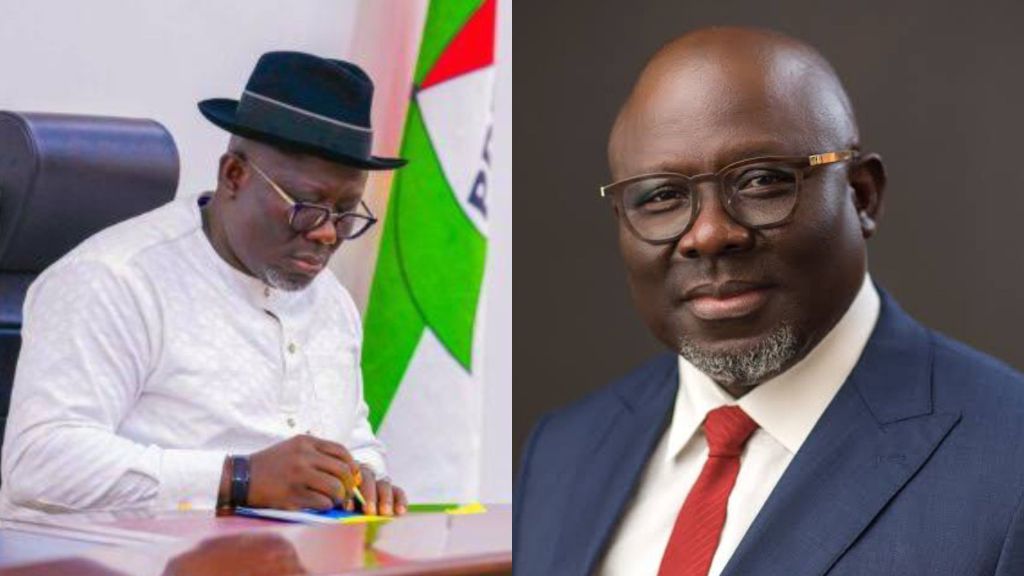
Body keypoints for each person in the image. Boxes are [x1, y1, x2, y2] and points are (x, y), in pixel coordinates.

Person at [514, 27, 1024, 576]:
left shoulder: (1008, 461)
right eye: (662, 195)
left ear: (862, 195)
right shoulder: (561, 452)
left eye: (761, 181)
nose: (709, 235)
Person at [0, 51, 408, 518]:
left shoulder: (329, 299)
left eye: (346, 213)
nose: (327, 233)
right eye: (306, 207)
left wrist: (364, 474)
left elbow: (353, 436)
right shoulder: (114, 279)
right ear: (234, 175)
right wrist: (238, 478)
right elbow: (40, 464)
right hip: (113, 554)